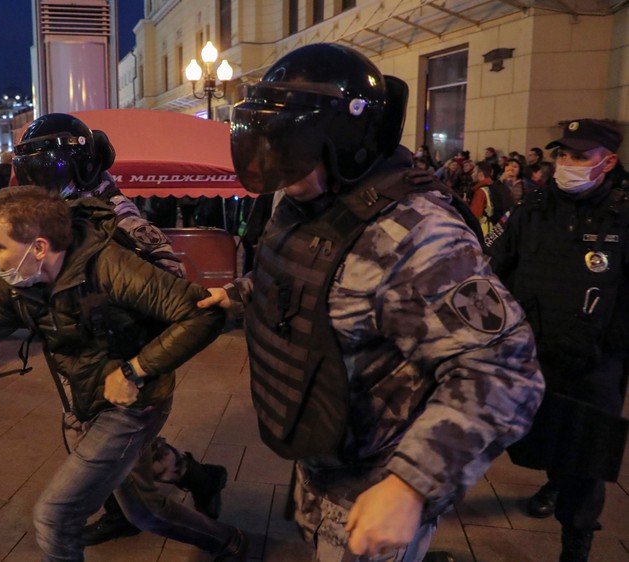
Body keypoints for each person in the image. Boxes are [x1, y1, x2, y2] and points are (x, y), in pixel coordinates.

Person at [198, 43, 544, 562]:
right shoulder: (302, 199)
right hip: (323, 453)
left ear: (346, 142)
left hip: (380, 477)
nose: (278, 168)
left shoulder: (417, 234)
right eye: (271, 145)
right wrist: (237, 295)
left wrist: (411, 487)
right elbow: (307, 279)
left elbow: (504, 370)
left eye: (292, 148)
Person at [0, 186, 247, 561]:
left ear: (39, 247)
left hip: (134, 403)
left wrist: (135, 370)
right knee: (143, 511)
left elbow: (202, 313)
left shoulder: (108, 266)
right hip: (90, 400)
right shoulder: (13, 287)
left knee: (55, 515)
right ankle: (229, 542)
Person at [11, 113, 231, 546]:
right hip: (83, 364)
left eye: (49, 171)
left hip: (123, 368)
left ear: (81, 166)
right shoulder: (61, 218)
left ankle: (218, 529)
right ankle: (194, 481)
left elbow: (175, 294)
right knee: (100, 448)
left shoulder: (120, 221)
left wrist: (123, 341)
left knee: (113, 462)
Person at [487, 119, 629, 562]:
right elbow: (496, 266)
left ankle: (576, 543)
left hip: (595, 363)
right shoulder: (533, 208)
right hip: (535, 352)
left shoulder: (624, 215)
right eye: (561, 154)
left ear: (608, 162)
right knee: (543, 435)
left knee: (588, 458)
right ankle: (553, 478)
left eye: (579, 156)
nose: (566, 163)